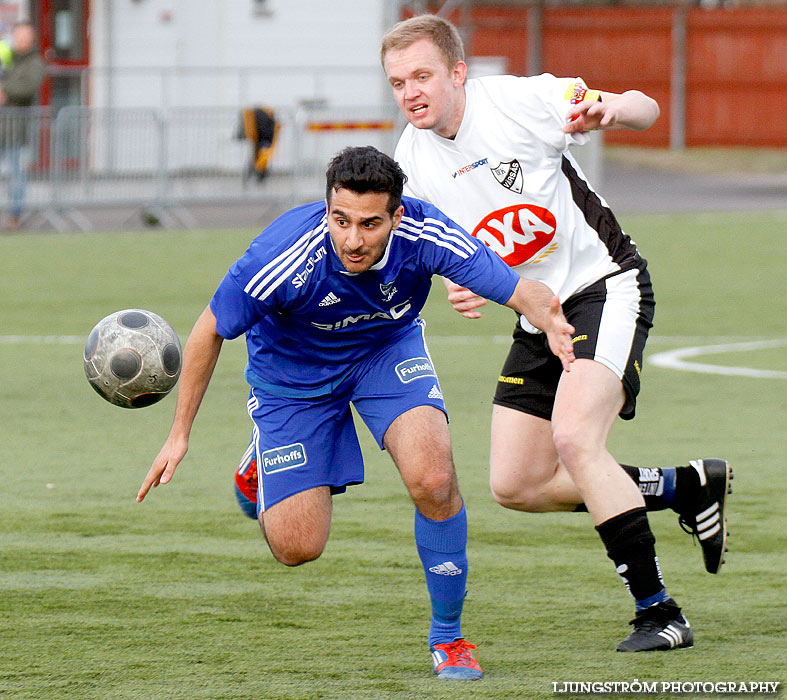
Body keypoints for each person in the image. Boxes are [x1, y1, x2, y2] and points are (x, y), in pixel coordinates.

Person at [137, 146, 575, 680]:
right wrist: (179, 434)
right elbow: (210, 328)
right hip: (292, 380)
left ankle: (449, 637)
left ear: (397, 215)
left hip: (384, 353)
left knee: (434, 479)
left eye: (370, 224)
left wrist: (551, 322)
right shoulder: (283, 254)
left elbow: (519, 289)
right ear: (327, 210)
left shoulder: (426, 233)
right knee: (298, 548)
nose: (352, 239)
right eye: (340, 220)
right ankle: (261, 459)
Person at [380, 15, 732, 652]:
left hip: (606, 287)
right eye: (399, 82)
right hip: (537, 314)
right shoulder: (411, 160)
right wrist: (459, 281)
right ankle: (683, 485)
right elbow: (449, 248)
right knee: (515, 484)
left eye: (423, 75)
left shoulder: (520, 100)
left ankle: (661, 612)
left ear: (459, 73)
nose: (411, 92)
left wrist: (609, 107)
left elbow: (647, 109)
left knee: (574, 439)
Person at [0, 21, 45, 231]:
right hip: (2, 128)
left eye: (24, 37)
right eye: (17, 37)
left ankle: (15, 216)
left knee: (17, 175)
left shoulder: (34, 63)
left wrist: (5, 91)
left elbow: (26, 87)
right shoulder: (7, 59)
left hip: (17, 130)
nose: (20, 42)